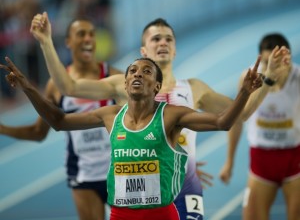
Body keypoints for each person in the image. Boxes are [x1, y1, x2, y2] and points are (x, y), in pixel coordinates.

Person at [29, 12, 290, 219]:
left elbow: (239, 115)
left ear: (175, 50)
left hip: (184, 187)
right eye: (156, 39)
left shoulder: (195, 88)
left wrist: (267, 81)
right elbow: (69, 88)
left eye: (168, 39)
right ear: (143, 50)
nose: (163, 42)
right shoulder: (124, 83)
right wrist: (46, 43)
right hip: (137, 195)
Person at [1, 55, 262, 220]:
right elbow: (58, 122)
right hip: (120, 215)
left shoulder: (171, 116)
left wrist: (245, 93)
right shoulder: (110, 116)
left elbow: (222, 121)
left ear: (157, 87)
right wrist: (28, 88)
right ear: (125, 84)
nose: (138, 74)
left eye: (146, 72)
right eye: (133, 71)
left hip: (161, 214)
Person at [0, 18, 122, 220]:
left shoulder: (113, 77)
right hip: (83, 176)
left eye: (91, 34)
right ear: (68, 42)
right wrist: (3, 129)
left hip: (118, 170)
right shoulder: (56, 86)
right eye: (81, 34)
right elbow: (39, 132)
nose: (88, 39)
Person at [219, 33, 300, 220]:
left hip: (294, 157)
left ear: (287, 58)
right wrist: (229, 161)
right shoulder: (250, 78)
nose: (270, 66)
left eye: (277, 61)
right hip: (261, 160)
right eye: (266, 62)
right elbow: (241, 117)